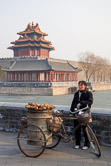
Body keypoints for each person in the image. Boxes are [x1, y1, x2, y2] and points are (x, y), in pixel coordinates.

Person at [70, 80, 93, 150]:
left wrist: (82, 102)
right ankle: (77, 143)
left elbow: (90, 102)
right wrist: (71, 110)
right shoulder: (76, 93)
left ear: (85, 86)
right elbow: (73, 102)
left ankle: (87, 144)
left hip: (84, 113)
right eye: (79, 85)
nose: (80, 87)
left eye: (81, 86)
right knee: (77, 128)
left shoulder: (88, 93)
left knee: (85, 129)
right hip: (76, 113)